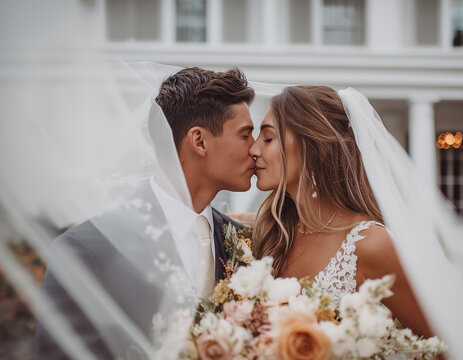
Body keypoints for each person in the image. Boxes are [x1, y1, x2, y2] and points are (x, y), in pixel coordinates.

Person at [34, 67, 256, 360]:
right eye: (245, 135)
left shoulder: (248, 245)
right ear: (199, 141)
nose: (255, 150)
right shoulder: (87, 250)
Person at [248, 85, 433, 338]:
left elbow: (439, 346)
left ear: (310, 147)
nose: (254, 150)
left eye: (268, 138)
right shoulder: (274, 232)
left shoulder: (370, 244)